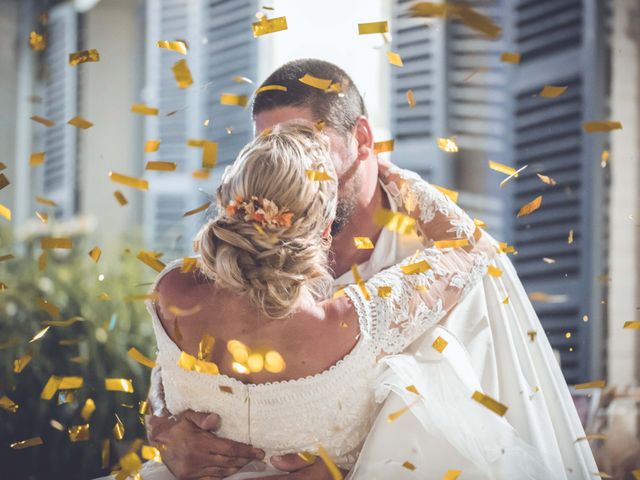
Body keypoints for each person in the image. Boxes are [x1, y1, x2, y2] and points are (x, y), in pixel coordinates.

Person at [145, 59, 597, 480]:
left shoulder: (429, 257)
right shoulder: (235, 249)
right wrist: (164, 427)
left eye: (308, 142)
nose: (291, 164)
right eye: (272, 148)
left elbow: (467, 418)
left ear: (362, 139)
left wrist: (352, 465)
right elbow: (170, 368)